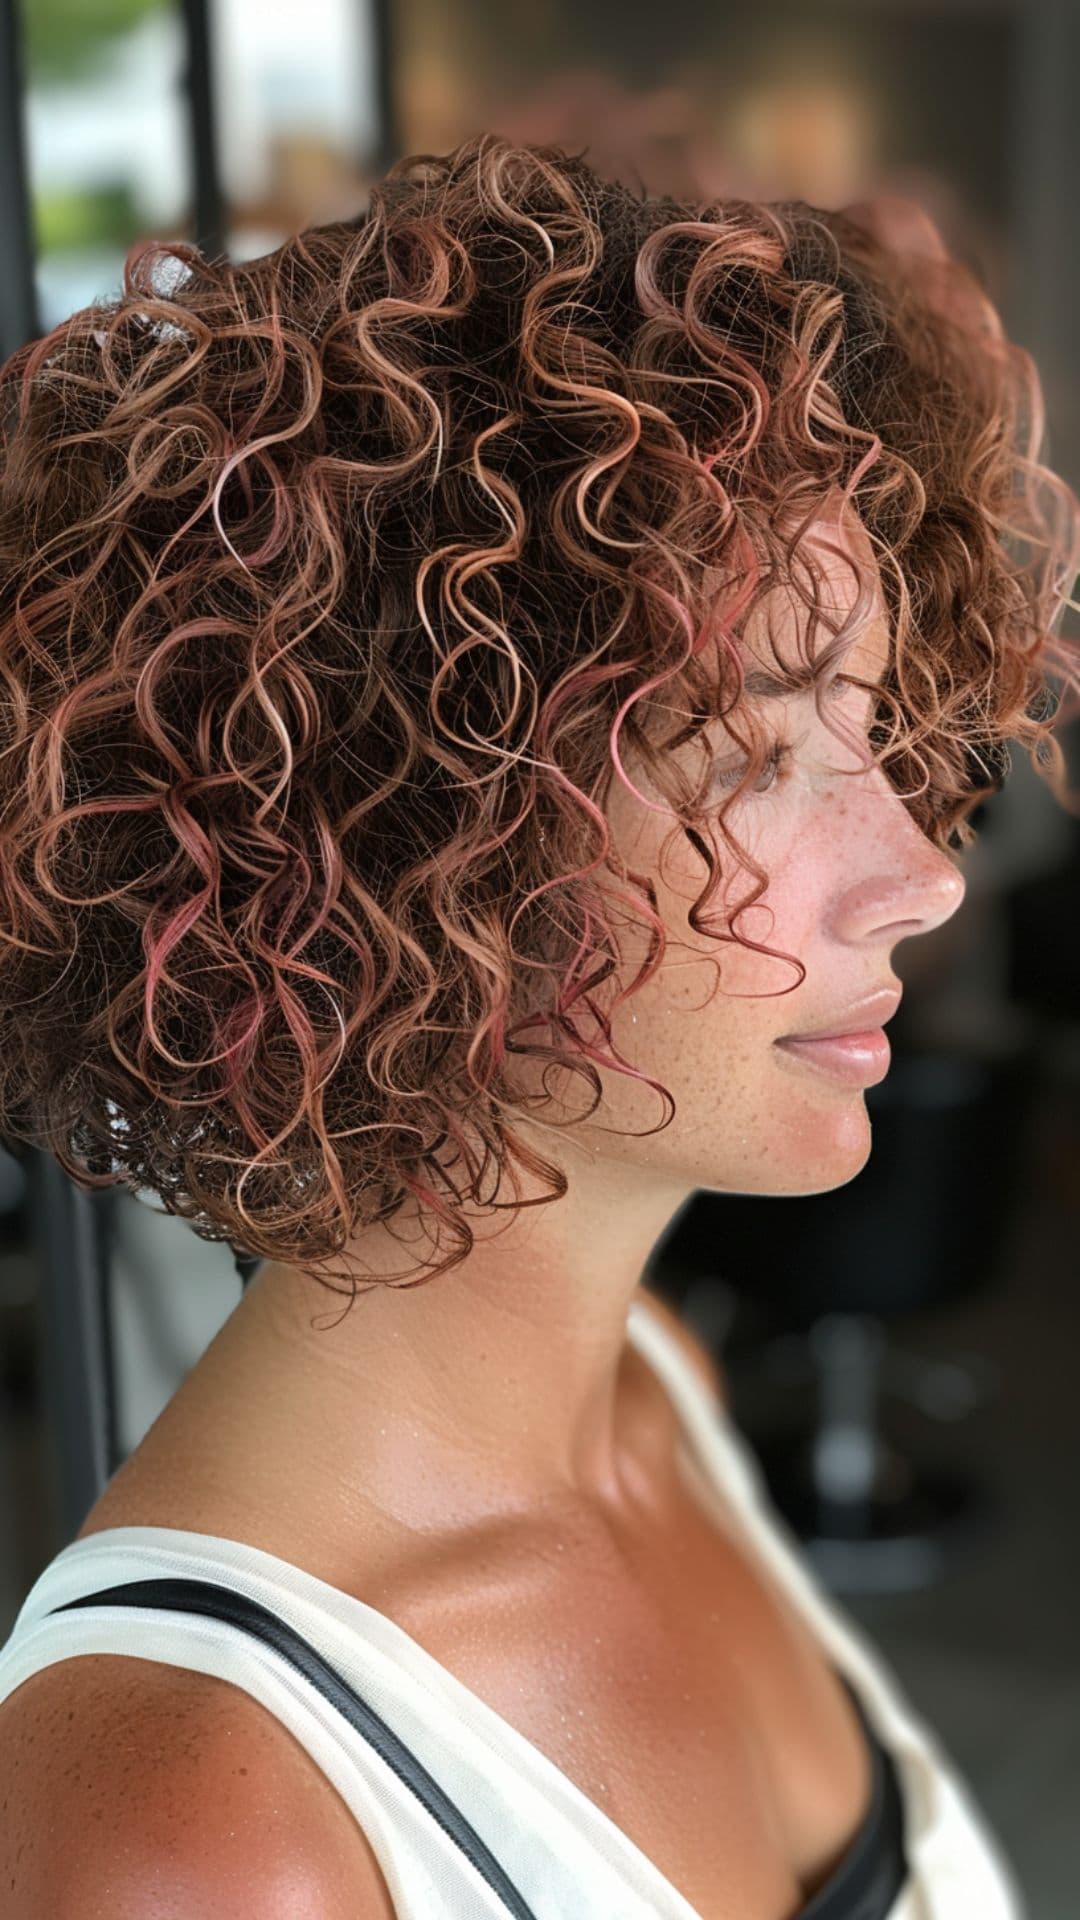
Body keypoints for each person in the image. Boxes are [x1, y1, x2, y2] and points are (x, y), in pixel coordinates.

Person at [0, 131, 1076, 1919]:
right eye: (758, 754)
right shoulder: (201, 1829)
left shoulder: (657, 1386)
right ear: (409, 828)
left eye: (877, 738)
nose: (924, 874)